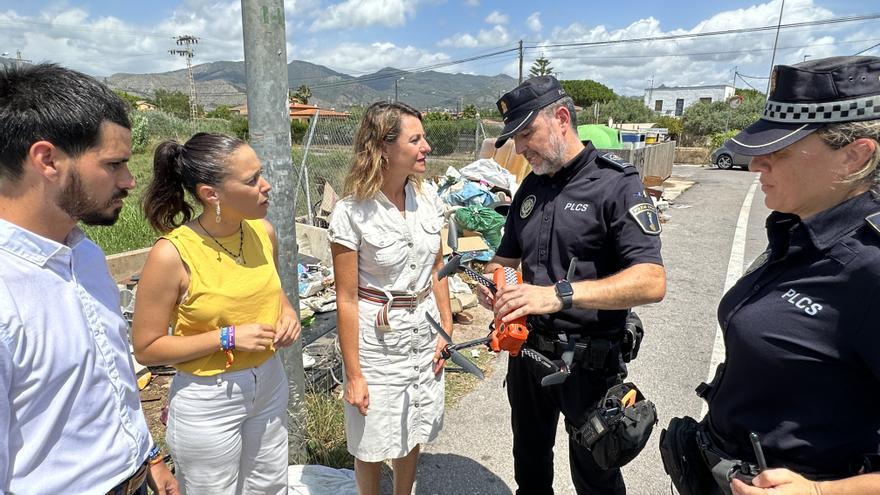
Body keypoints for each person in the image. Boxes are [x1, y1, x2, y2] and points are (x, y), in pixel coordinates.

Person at [698, 56, 880, 495]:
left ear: (855, 156)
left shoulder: (870, 267)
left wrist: (821, 493)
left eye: (778, 152)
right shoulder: (798, 228)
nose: (757, 165)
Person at [476, 75, 666, 494]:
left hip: (589, 365)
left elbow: (652, 281)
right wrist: (496, 285)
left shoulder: (616, 183)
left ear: (562, 118)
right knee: (529, 464)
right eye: (515, 138)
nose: (521, 149)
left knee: (595, 476)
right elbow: (504, 260)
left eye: (527, 133)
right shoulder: (530, 187)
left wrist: (558, 294)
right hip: (528, 357)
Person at [0, 64, 177, 494]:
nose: (130, 181)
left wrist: (146, 455)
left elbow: (107, 375)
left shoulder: (85, 254)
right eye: (114, 164)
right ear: (47, 160)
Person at [131, 132, 300, 494]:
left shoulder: (262, 232)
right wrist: (228, 337)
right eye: (252, 180)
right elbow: (147, 347)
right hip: (209, 398)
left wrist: (288, 314)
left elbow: (273, 292)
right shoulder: (172, 254)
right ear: (211, 194)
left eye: (261, 174)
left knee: (270, 486)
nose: (266, 186)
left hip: (269, 382)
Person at [328, 101, 453, 495]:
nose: (426, 147)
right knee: (371, 441)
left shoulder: (429, 199)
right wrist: (354, 374)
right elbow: (346, 299)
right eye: (415, 139)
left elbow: (437, 270)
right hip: (377, 345)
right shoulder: (351, 213)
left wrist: (446, 326)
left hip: (424, 333)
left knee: (411, 424)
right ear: (384, 147)